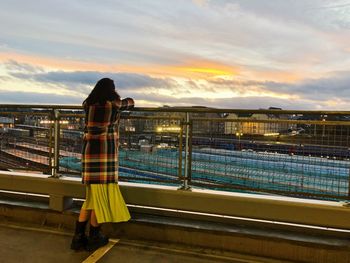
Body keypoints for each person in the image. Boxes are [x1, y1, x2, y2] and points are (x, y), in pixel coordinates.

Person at [71, 78, 134, 251]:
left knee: (90, 199)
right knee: (99, 202)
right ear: (111, 90)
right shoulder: (113, 104)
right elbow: (130, 102)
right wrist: (124, 100)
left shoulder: (88, 104)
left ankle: (78, 238)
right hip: (105, 155)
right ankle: (94, 237)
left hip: (89, 153)